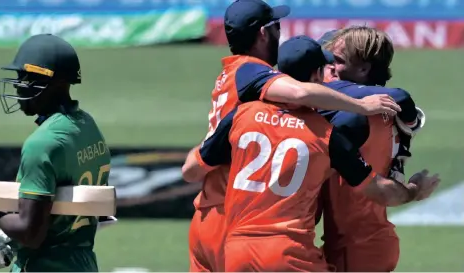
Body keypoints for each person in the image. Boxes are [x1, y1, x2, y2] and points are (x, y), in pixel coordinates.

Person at [182, 1, 403, 272]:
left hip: (207, 216)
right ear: (263, 33)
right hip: (239, 219)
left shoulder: (235, 87)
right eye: (276, 26)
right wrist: (363, 105)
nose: (280, 32)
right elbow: (300, 93)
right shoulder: (253, 73)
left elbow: (191, 170)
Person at [180, 74, 440, 271]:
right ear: (316, 78)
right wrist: (415, 190)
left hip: (236, 250)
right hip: (290, 253)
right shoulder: (326, 135)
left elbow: (191, 170)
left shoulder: (244, 114)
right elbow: (381, 191)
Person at [0, 34, 115, 272]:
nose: (17, 85)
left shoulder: (42, 144)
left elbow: (31, 232)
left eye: (26, 78)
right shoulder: (87, 126)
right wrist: (9, 240)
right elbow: (74, 212)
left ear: (54, 82)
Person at [313, 26, 426, 272]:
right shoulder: (381, 109)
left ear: (363, 69)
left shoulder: (357, 115)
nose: (329, 67)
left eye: (337, 61)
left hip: (355, 249)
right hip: (370, 240)